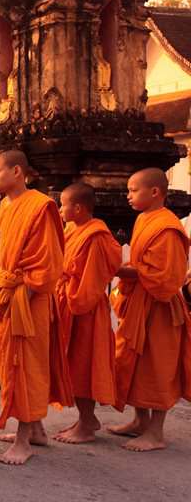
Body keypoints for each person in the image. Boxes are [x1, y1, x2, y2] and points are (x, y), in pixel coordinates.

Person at [0, 150, 68, 465]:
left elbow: (46, 262)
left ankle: (22, 439)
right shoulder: (7, 204)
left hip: (29, 298)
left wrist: (21, 302)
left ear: (17, 171)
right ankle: (37, 430)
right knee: (10, 362)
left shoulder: (41, 206)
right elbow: (9, 250)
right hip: (12, 293)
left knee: (25, 365)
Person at [108, 168, 191, 451]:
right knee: (134, 363)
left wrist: (118, 270)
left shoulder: (168, 227)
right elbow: (143, 263)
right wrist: (126, 269)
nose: (128, 195)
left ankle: (156, 432)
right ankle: (140, 421)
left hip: (160, 307)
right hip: (140, 304)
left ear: (155, 192)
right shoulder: (145, 218)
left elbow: (166, 277)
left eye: (133, 190)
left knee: (157, 367)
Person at [53, 183, 121, 444]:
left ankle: (86, 424)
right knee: (71, 365)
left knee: (85, 365)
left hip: (85, 308)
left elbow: (91, 280)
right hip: (69, 303)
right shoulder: (72, 230)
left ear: (78, 208)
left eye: (63, 204)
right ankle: (85, 418)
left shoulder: (96, 236)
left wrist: (72, 299)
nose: (60, 209)